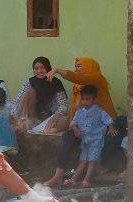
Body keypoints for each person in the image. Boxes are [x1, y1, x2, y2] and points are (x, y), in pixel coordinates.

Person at [44, 58, 125, 186]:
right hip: (82, 129)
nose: (76, 70)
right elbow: (75, 110)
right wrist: (74, 126)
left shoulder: (98, 79)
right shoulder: (78, 87)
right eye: (75, 67)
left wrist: (57, 70)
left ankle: (95, 170)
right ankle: (58, 176)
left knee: (111, 138)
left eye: (79, 66)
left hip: (102, 126)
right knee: (67, 137)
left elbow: (80, 78)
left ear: (89, 67)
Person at [65, 85, 116, 187]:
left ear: (94, 99)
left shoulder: (99, 111)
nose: (84, 102)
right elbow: (73, 123)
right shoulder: (79, 112)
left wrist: (111, 128)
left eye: (88, 99)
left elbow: (108, 120)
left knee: (92, 161)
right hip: (85, 141)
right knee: (82, 160)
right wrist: (76, 130)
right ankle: (73, 179)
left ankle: (87, 180)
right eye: (83, 99)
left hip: (96, 141)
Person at [10, 57, 69, 134]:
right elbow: (16, 102)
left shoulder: (55, 83)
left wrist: (55, 117)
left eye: (43, 68)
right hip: (32, 118)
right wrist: (16, 117)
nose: (39, 71)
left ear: (48, 68)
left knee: (66, 120)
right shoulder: (30, 82)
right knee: (30, 92)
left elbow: (63, 106)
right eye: (36, 68)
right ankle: (26, 124)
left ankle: (45, 129)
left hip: (50, 118)